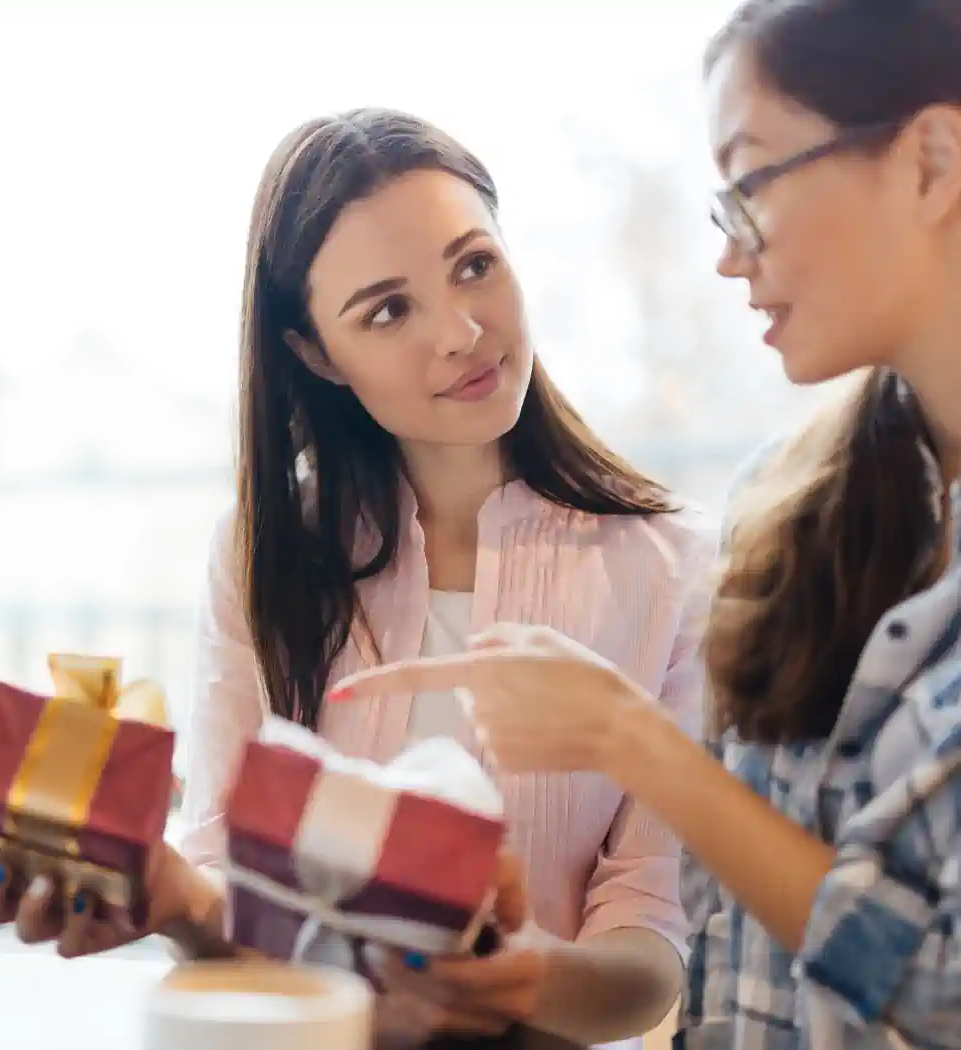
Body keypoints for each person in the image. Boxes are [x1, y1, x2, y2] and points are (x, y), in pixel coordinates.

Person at [0, 107, 715, 1048]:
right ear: (314, 353)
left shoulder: (672, 568)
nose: (463, 332)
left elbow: (649, 948)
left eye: (475, 264)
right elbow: (223, 896)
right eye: (389, 310)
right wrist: (173, 899)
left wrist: (515, 977)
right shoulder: (263, 556)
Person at [331, 5, 961, 1050]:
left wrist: (623, 738)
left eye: (750, 186)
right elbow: (726, 963)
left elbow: (940, 982)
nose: (726, 257)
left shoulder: (663, 553)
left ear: (930, 161)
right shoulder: (788, 509)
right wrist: (523, 974)